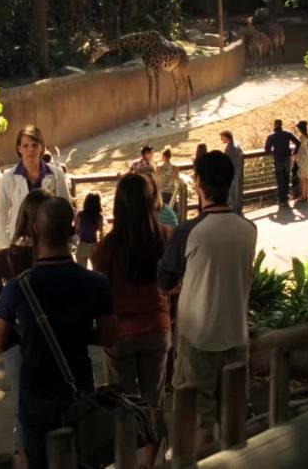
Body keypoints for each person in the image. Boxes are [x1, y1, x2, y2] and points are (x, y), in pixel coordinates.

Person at [0, 197, 116, 469]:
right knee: (81, 461)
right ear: (73, 229)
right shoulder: (96, 283)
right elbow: (109, 337)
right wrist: (80, 332)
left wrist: (26, 334)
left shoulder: (17, 287)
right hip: (78, 389)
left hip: (34, 393)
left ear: (34, 229)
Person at [158, 151, 257, 449]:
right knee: (233, 421)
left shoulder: (187, 232)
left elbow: (164, 281)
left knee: (199, 425)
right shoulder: (249, 229)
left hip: (197, 342)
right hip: (237, 338)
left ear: (198, 182)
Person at [91, 174, 171, 469]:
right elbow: (174, 282)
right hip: (157, 329)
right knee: (154, 402)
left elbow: (101, 295)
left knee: (122, 407)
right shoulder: (166, 237)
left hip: (120, 334)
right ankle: (151, 464)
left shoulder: (106, 248)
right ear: (152, 202)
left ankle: (126, 463)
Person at [0, 188, 51, 468]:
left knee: (24, 407)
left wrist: (5, 318)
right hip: (54, 338)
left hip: (17, 344)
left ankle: (26, 457)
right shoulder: (57, 258)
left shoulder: (5, 258)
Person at [0, 125, 72, 249]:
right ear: (19, 149)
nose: (30, 149)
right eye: (25, 146)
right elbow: (0, 215)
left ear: (41, 147)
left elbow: (66, 209)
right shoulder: (8, 177)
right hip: (20, 243)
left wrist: (65, 241)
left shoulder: (56, 174)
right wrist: (5, 248)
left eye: (34, 145)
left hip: (50, 242)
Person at [264, 119, 301, 207]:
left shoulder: (271, 136)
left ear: (275, 125)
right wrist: (294, 152)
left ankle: (282, 200)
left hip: (278, 160)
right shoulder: (287, 133)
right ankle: (286, 198)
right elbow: (298, 143)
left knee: (280, 180)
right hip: (287, 159)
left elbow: (267, 150)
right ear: (282, 125)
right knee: (286, 178)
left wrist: (273, 152)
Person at [74, 192, 104, 269]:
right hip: (94, 246)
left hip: (82, 245)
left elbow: (76, 230)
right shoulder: (99, 216)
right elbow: (101, 233)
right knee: (96, 270)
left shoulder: (80, 214)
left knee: (82, 271)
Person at [220, 130, 244, 215]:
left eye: (222, 137)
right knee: (236, 192)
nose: (221, 139)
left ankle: (234, 211)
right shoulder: (236, 144)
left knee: (232, 193)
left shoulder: (231, 148)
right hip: (237, 171)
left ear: (227, 137)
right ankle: (237, 209)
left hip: (232, 173)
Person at [292, 120, 308, 203]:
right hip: (306, 155)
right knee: (306, 177)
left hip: (302, 157)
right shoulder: (307, 135)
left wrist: (295, 156)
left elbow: (298, 148)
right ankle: (306, 195)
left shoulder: (301, 137)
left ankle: (303, 197)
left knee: (302, 178)